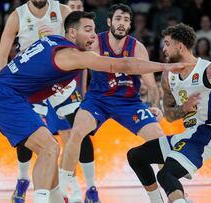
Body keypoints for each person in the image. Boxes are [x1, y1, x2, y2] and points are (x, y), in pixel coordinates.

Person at [0, 11, 190, 203]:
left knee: (48, 151)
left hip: (7, 95)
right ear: (72, 32)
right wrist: (166, 66)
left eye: (94, 29)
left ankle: (56, 197)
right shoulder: (72, 55)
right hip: (7, 98)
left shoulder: (55, 41)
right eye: (88, 30)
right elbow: (124, 65)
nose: (94, 35)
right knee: (50, 147)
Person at [127, 23, 211, 203]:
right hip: (186, 135)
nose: (163, 48)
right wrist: (184, 108)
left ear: (180, 46)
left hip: (206, 133)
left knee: (166, 175)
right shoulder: (168, 77)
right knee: (135, 156)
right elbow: (169, 115)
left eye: (167, 44)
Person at [59, 4, 164, 203]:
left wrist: (155, 106)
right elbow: (73, 61)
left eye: (126, 20)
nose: (121, 23)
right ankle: (63, 189)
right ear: (109, 22)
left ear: (130, 24)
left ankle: (167, 196)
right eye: (118, 19)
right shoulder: (95, 42)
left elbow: (150, 83)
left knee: (159, 140)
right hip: (98, 100)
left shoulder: (137, 48)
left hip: (129, 103)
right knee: (77, 133)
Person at [0, 1, 76, 202]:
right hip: (30, 83)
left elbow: (79, 43)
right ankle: (23, 180)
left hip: (59, 81)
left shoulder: (63, 11)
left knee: (77, 132)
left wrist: (58, 38)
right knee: (31, 134)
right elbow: (2, 55)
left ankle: (69, 188)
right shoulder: (17, 16)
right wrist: (2, 87)